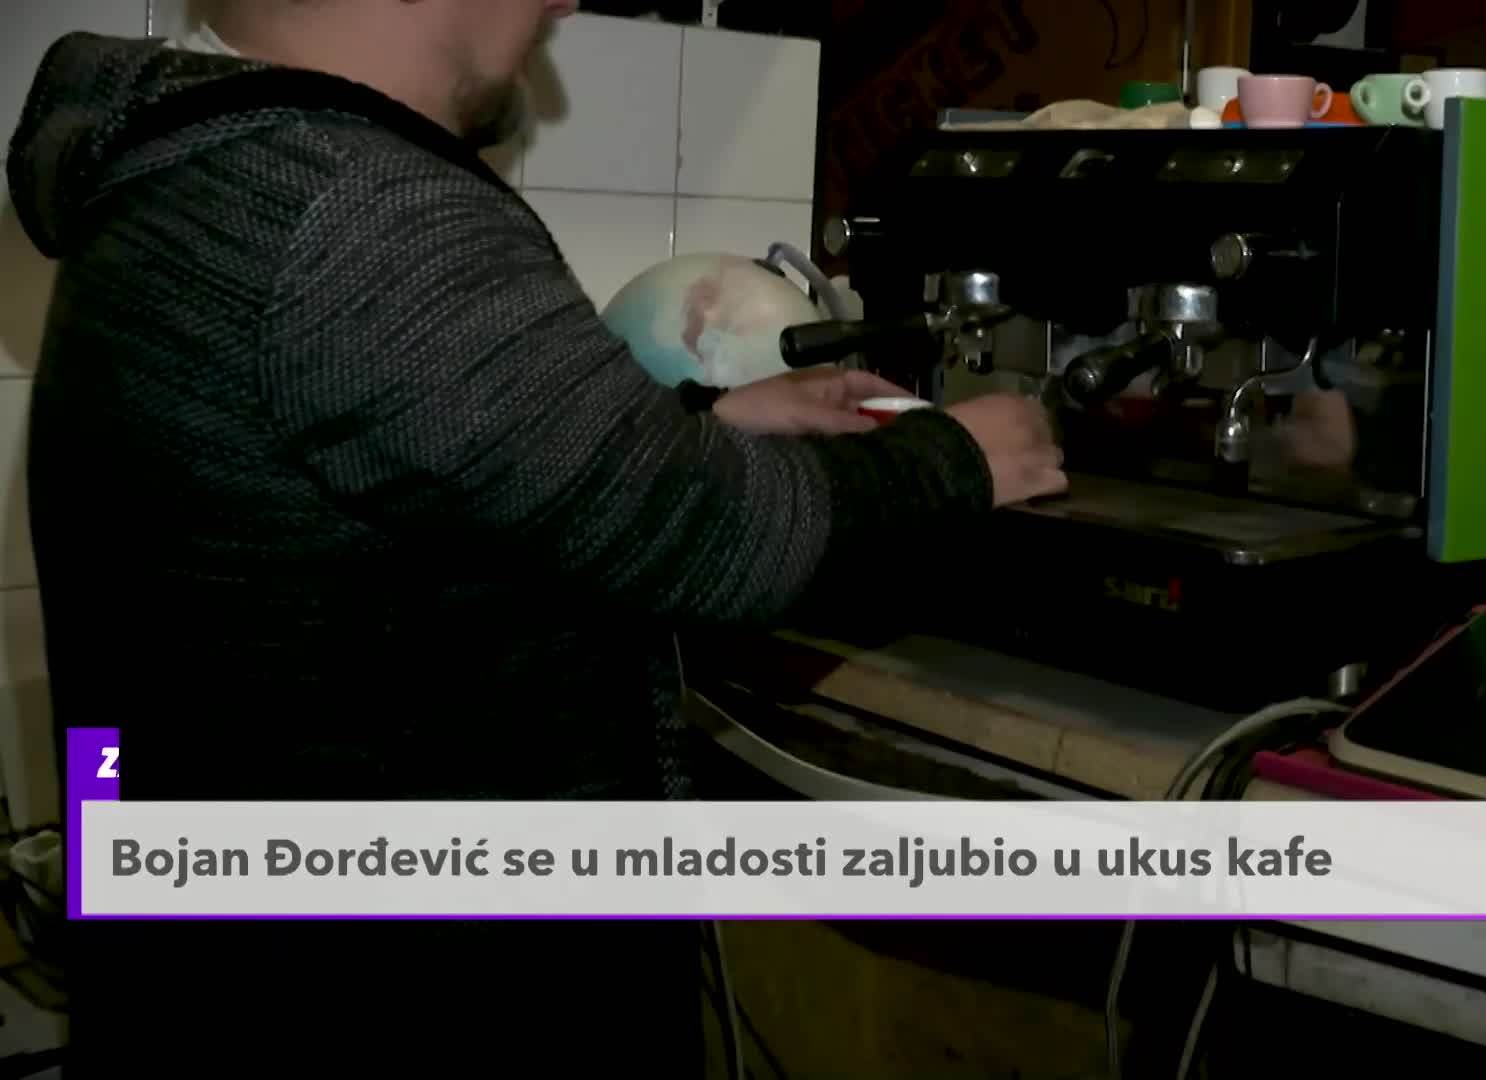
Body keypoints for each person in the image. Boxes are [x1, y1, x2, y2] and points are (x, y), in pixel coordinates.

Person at [6, 0, 1064, 1072]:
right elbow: (716, 536)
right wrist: (959, 459)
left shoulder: (196, 167)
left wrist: (698, 423)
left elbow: (401, 450)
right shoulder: (359, 203)